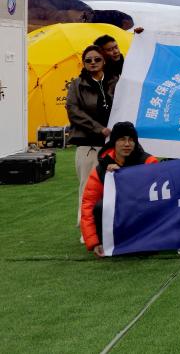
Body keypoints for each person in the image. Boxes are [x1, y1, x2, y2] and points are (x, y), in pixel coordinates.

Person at [80, 122, 158, 257]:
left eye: (131, 140)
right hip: (117, 220)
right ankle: (108, 244)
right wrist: (94, 242)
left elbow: (157, 198)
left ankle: (145, 241)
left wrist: (123, 174)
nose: (127, 144)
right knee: (99, 207)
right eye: (122, 139)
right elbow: (88, 205)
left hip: (142, 215)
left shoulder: (148, 162)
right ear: (113, 143)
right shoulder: (101, 169)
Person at [66, 45, 118, 224]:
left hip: (113, 146)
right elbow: (73, 111)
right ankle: (86, 229)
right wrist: (99, 129)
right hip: (88, 145)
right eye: (88, 60)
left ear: (104, 61)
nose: (93, 63)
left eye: (97, 59)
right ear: (83, 63)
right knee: (88, 189)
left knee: (113, 188)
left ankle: (110, 228)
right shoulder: (76, 84)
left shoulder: (115, 81)